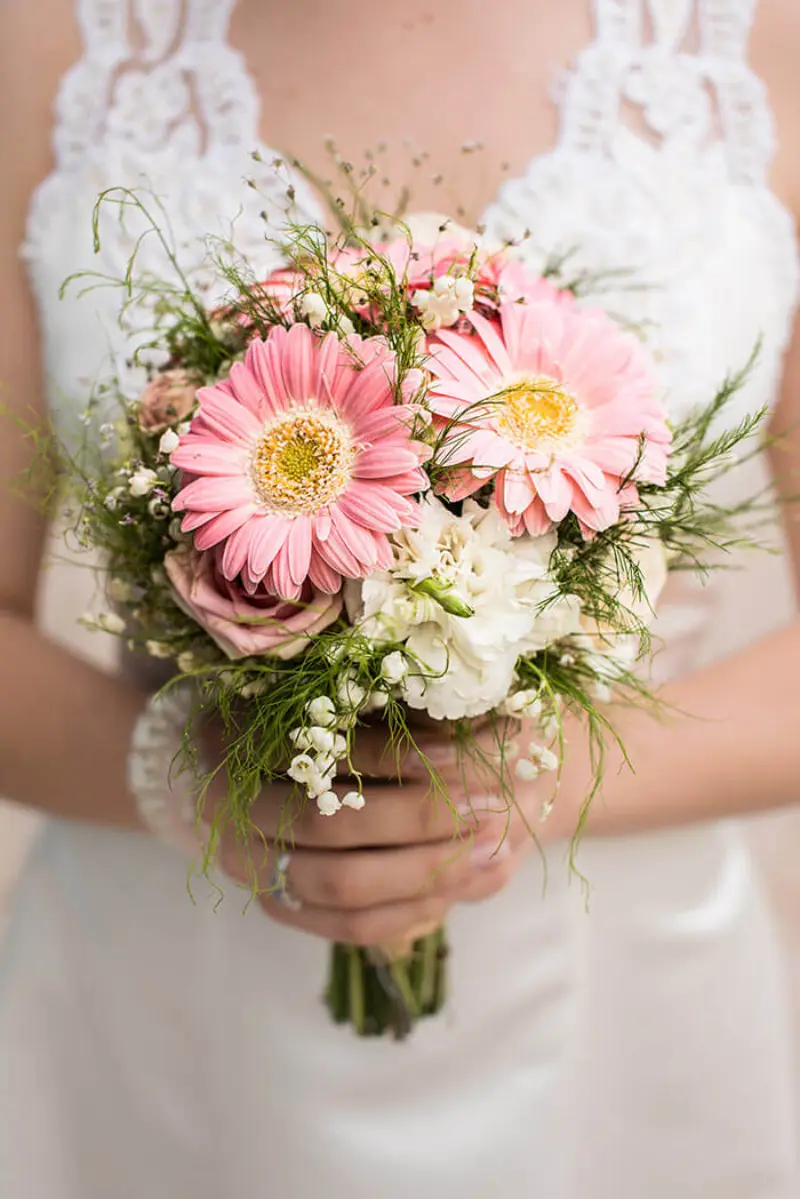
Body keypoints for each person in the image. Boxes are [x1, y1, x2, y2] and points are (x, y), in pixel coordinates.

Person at [1, 0, 799, 1194]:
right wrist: (185, 778)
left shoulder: (762, 46)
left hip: (618, 999)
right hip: (167, 1003)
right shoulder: (49, 44)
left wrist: (519, 785)